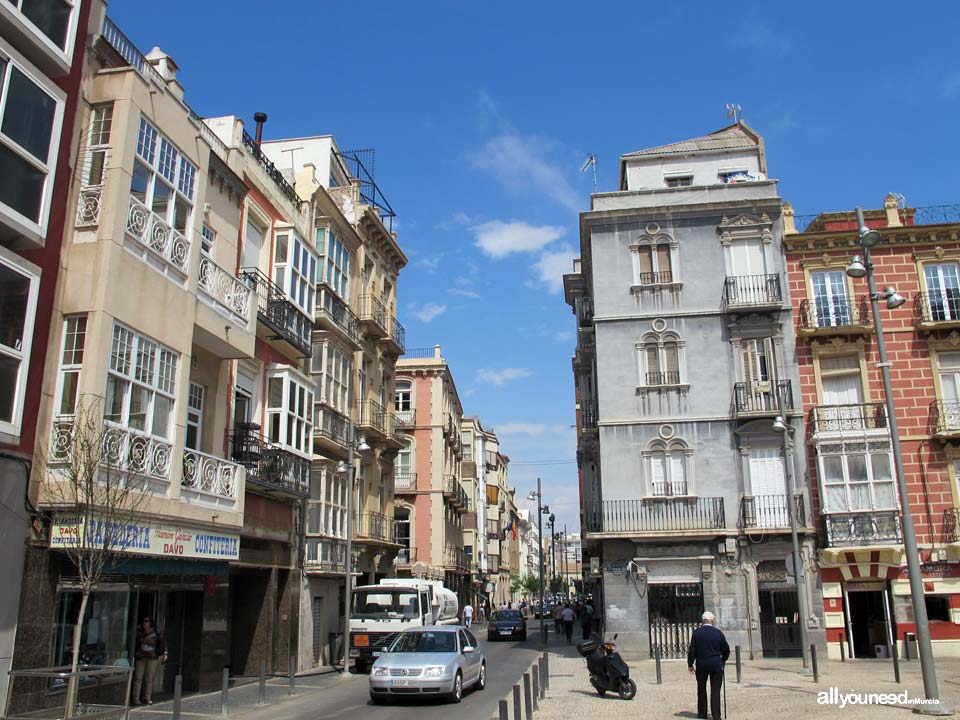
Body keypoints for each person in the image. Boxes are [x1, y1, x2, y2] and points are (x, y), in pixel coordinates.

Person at [687, 611, 730, 720]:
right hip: (716, 663)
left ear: (703, 621)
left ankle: (702, 713)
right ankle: (716, 715)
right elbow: (726, 649)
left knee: (701, 689)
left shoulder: (697, 633)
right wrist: (723, 660)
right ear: (712, 620)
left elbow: (692, 650)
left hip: (701, 664)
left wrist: (690, 664)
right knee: (715, 690)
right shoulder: (718, 633)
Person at [132, 616, 167, 706]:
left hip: (152, 658)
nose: (144, 623)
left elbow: (163, 643)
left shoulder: (156, 632)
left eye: (146, 621)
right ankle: (136, 698)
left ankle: (147, 698)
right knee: (138, 678)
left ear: (150, 623)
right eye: (143, 621)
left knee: (149, 678)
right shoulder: (140, 632)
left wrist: (163, 653)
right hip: (141, 657)